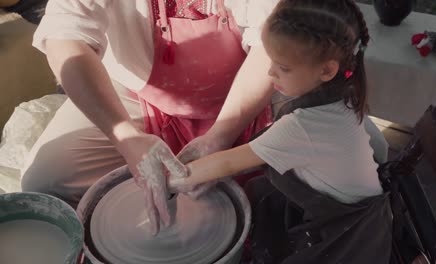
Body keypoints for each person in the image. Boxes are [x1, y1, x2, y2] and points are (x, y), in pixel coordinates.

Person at [21, 0, 278, 235]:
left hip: (247, 86)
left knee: (293, 186)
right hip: (136, 92)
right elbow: (65, 39)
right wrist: (124, 137)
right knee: (47, 179)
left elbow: (274, 42)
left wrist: (222, 133)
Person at [169, 0, 392, 263]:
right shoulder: (343, 91)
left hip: (350, 240)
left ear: (327, 70)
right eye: (272, 60)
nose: (270, 72)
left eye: (283, 67)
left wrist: (167, 182)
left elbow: (226, 162)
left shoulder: (303, 128)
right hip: (362, 217)